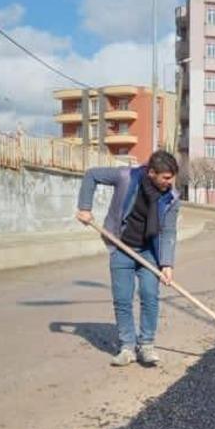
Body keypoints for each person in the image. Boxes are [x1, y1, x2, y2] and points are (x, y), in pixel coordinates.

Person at [76, 150, 180, 367]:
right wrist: (85, 208)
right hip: (121, 246)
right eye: (167, 178)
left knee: (150, 295)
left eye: (172, 177)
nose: (171, 183)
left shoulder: (171, 197)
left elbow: (169, 231)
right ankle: (127, 347)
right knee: (123, 298)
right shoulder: (126, 177)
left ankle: (147, 345)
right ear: (152, 173)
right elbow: (92, 175)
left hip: (149, 251)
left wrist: (167, 263)